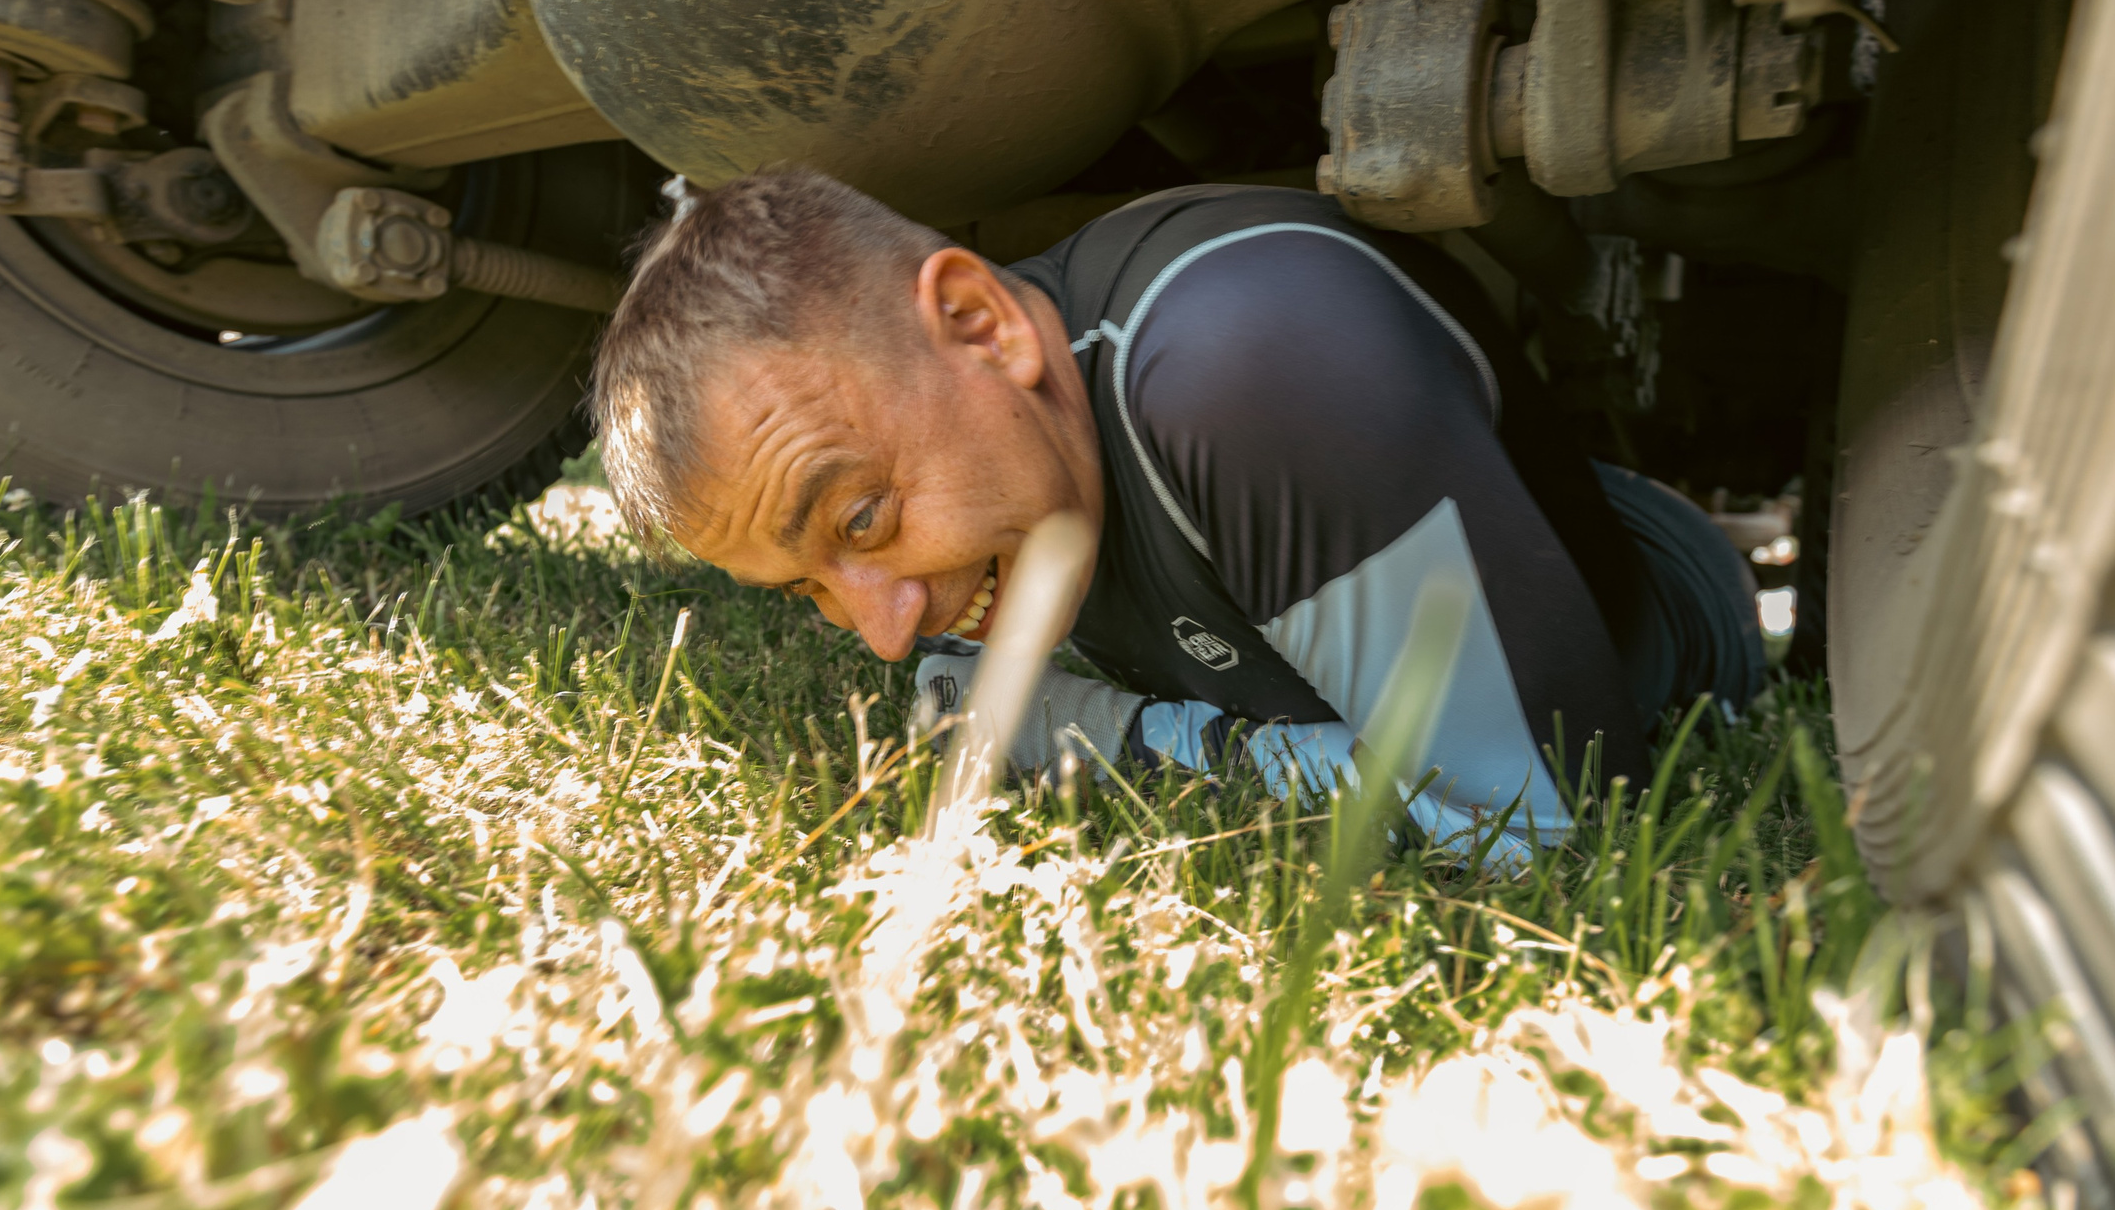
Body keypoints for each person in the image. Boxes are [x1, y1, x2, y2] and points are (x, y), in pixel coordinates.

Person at [589, 167, 1763, 864]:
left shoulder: (1251, 360)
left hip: (1667, 612)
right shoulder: (967, 458)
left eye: (856, 523)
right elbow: (948, 700)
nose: (886, 629)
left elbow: (1517, 814)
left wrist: (1128, 735)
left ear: (980, 323)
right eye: (807, 591)